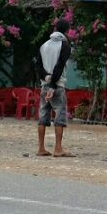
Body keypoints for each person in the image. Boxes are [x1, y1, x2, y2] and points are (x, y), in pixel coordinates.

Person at [35, 28, 72, 158]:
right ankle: (58, 148)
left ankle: (41, 148)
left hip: (44, 84)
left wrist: (46, 78)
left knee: (43, 115)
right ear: (66, 31)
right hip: (57, 85)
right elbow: (60, 66)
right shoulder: (65, 45)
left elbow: (38, 66)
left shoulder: (44, 45)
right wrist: (53, 85)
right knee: (59, 116)